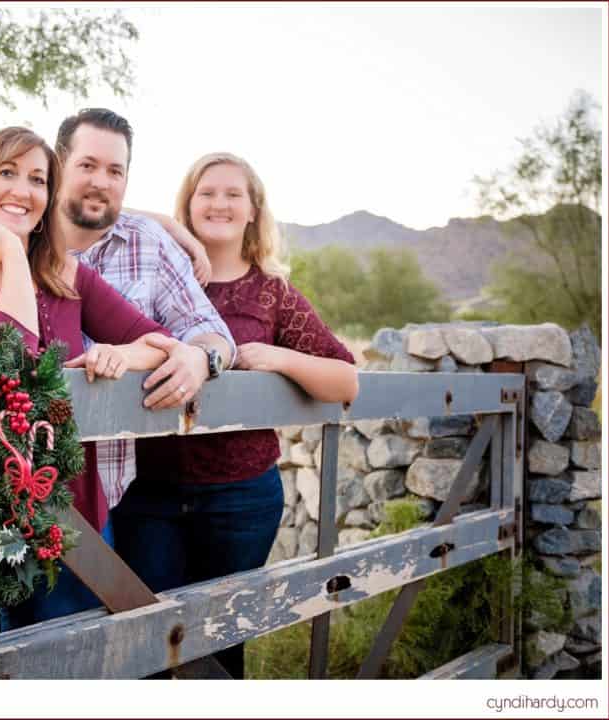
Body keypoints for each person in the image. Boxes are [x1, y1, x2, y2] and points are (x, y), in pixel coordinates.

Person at [114, 152, 360, 679]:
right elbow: (96, 207)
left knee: (220, 643)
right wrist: (166, 228)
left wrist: (278, 358)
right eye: (206, 192)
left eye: (232, 194)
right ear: (187, 204)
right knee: (144, 645)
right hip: (146, 493)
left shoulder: (272, 292)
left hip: (240, 498)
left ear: (253, 210)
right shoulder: (158, 275)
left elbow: (345, 379)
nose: (219, 203)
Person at [0, 126, 172, 625]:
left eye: (38, 179)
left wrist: (120, 356)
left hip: (71, 517)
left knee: (71, 666)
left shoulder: (69, 278)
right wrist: (14, 255)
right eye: (7, 173)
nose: (23, 190)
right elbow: (3, 367)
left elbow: (158, 343)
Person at [52, 108, 236, 510]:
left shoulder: (149, 243)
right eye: (87, 165)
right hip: (6, 488)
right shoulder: (22, 241)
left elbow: (209, 329)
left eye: (115, 171)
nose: (101, 181)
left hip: (110, 497)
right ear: (58, 164)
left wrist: (200, 358)